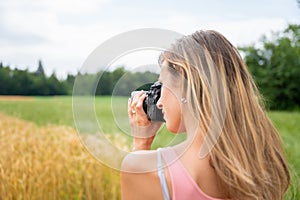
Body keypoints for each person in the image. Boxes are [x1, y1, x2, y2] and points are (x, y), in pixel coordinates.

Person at [121, 30, 290, 200]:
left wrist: (140, 145)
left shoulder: (145, 169)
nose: (158, 102)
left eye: (163, 84)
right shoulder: (264, 166)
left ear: (187, 88)